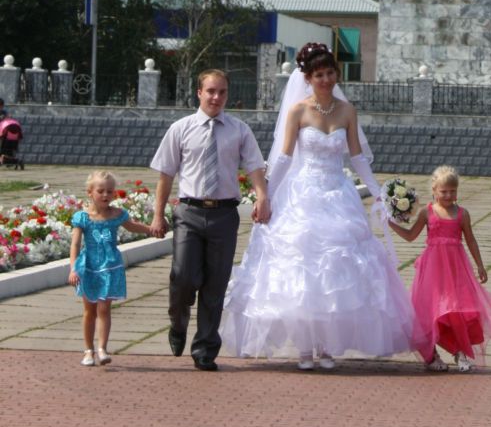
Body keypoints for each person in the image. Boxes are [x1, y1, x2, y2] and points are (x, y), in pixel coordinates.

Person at [221, 43, 423, 370]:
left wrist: (379, 194)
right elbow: (284, 158)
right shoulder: (298, 111)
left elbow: (358, 158)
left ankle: (326, 345)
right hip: (303, 196)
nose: (326, 80)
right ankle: (305, 346)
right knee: (303, 269)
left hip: (338, 193)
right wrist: (266, 194)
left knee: (337, 271)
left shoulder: (347, 111)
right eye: (319, 75)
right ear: (308, 78)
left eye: (330, 73)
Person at [150, 69, 270, 372]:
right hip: (189, 212)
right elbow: (166, 174)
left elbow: (255, 166)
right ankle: (178, 321)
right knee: (182, 276)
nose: (216, 97)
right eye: (211, 91)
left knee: (215, 285)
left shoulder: (239, 130)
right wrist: (158, 214)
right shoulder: (181, 129)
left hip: (224, 214)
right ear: (199, 93)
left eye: (222, 92)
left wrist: (262, 197)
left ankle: (205, 349)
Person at [388, 165, 491, 372]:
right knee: (430, 310)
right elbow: (410, 236)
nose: (449, 195)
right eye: (444, 191)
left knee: (456, 310)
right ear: (434, 190)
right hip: (432, 271)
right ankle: (431, 355)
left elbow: (470, 240)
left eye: (453, 191)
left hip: (456, 270)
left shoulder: (462, 214)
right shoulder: (427, 212)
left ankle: (461, 352)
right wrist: (390, 224)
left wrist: (480, 265)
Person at [68, 170, 152, 367]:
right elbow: (75, 244)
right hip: (89, 268)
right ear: (90, 192)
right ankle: (88, 350)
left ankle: (102, 348)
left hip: (110, 267)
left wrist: (151, 229)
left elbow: (132, 226)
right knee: (89, 310)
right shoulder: (83, 217)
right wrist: (73, 269)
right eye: (100, 191)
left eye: (110, 191)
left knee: (104, 308)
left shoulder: (117, 214)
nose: (105, 195)